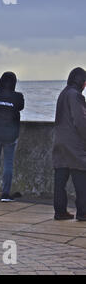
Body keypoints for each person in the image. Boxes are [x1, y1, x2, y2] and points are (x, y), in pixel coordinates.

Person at [52, 67, 86, 221]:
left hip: (59, 141)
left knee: (60, 180)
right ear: (82, 82)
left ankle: (60, 212)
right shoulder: (76, 95)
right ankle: (83, 213)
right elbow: (80, 121)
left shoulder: (63, 93)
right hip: (74, 144)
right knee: (81, 179)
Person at [0, 72, 24, 202]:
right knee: (8, 163)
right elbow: (21, 107)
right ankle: (5, 194)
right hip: (10, 135)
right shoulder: (18, 97)